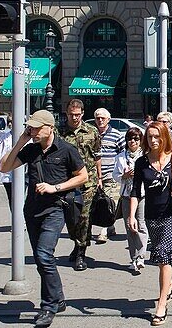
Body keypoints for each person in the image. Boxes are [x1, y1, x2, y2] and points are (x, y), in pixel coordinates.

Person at [0, 110, 88, 327]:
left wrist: (54, 187)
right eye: (31, 127)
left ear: (50, 128)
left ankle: (47, 307)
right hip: (32, 211)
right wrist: (21, 140)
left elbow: (83, 177)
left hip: (55, 209)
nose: (34, 131)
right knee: (41, 260)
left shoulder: (66, 150)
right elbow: (4, 167)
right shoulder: (31, 149)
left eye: (38, 128)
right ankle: (58, 297)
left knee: (44, 254)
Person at [130, 121, 172, 326]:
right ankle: (170, 285)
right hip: (151, 217)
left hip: (171, 216)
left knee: (164, 258)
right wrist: (131, 215)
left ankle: (161, 305)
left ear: (165, 137)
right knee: (159, 258)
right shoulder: (141, 163)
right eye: (150, 137)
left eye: (157, 136)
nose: (153, 140)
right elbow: (135, 191)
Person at [59, 99, 101, 271]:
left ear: (83, 113)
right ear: (67, 114)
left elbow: (97, 156)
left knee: (84, 218)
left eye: (77, 115)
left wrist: (100, 178)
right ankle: (77, 245)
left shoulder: (92, 132)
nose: (74, 118)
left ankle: (81, 253)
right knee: (70, 218)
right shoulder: (60, 133)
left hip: (88, 182)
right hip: (67, 182)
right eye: (71, 114)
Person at [114, 127, 147, 275]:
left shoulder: (145, 156)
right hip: (126, 194)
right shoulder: (121, 156)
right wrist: (124, 175)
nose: (132, 142)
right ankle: (133, 258)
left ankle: (141, 256)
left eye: (136, 139)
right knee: (129, 226)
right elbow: (115, 176)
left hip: (142, 194)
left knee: (140, 224)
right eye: (130, 139)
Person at [92, 108, 124, 244]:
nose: (100, 120)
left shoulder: (117, 135)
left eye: (103, 118)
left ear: (108, 120)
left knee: (108, 202)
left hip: (111, 174)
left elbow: (124, 153)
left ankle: (103, 232)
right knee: (99, 202)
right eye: (98, 118)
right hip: (94, 175)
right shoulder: (92, 134)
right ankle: (110, 226)